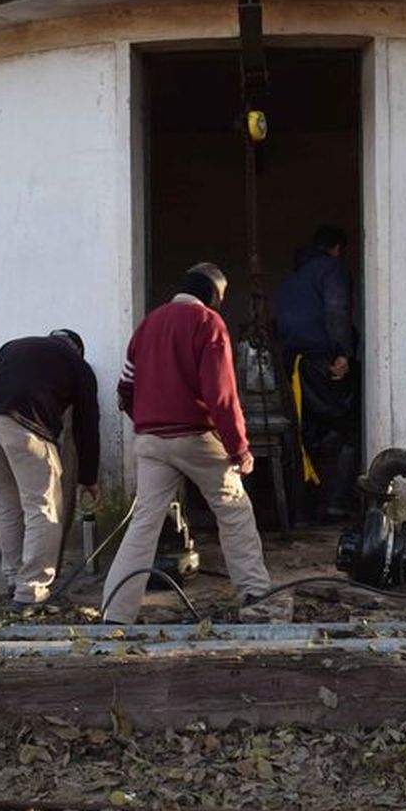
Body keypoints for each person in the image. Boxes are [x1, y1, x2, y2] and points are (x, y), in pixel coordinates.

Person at [103, 262, 288, 624]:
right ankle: (254, 595)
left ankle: (115, 614)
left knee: (144, 524)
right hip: (196, 438)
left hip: (151, 440)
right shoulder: (208, 323)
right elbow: (221, 395)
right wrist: (240, 449)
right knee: (233, 510)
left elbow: (125, 390)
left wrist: (149, 421)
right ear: (213, 296)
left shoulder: (147, 325)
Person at [0, 330, 100, 612]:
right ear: (77, 350)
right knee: (43, 506)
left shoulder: (11, 345)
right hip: (25, 427)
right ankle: (32, 592)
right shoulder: (78, 365)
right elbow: (87, 425)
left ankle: (14, 579)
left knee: (6, 506)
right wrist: (89, 478)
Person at [274, 224, 359, 521]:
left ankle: (303, 512)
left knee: (303, 438)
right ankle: (338, 502)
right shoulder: (332, 269)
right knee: (353, 431)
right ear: (337, 248)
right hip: (322, 365)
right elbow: (337, 310)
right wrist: (343, 354)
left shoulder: (293, 278)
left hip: (292, 369)